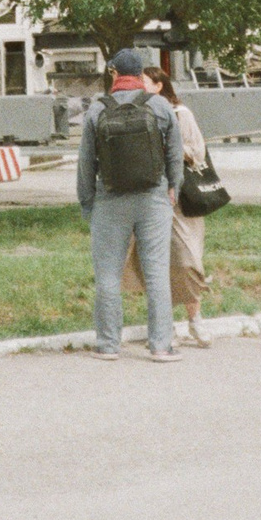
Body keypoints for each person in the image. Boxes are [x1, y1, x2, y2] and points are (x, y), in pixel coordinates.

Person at [77, 48, 185, 362]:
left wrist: (88, 203)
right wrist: (174, 187)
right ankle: (161, 346)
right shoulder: (160, 105)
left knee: (108, 275)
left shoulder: (97, 109)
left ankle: (108, 345)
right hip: (153, 199)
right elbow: (174, 154)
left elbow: (86, 163)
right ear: (140, 75)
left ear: (114, 73)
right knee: (156, 274)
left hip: (110, 201)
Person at [129, 66, 215, 347]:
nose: (138, 87)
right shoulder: (138, 114)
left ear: (158, 85)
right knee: (153, 263)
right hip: (149, 196)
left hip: (180, 200)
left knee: (188, 261)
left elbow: (197, 151)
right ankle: (164, 326)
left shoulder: (181, 114)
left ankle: (195, 320)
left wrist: (171, 149)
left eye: (143, 82)